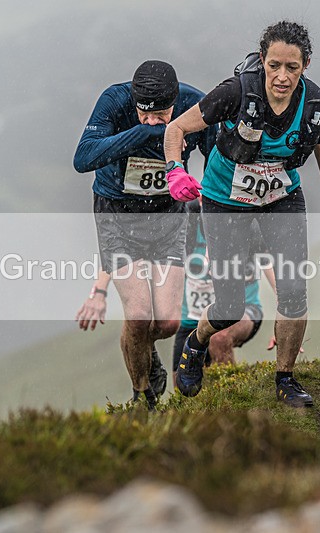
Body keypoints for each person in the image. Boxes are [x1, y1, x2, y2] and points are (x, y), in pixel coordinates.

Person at [163, 21, 320, 408]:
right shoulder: (237, 91)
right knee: (229, 306)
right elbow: (176, 129)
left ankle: (285, 379)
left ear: (305, 66)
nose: (282, 77)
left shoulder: (315, 106)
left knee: (293, 291)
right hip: (224, 199)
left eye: (292, 68)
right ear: (263, 61)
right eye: (274, 66)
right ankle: (196, 342)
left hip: (280, 198)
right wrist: (175, 171)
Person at [73, 60, 216, 410]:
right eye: (143, 113)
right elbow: (83, 158)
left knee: (166, 321)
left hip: (168, 216)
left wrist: (205, 192)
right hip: (116, 215)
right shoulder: (114, 100)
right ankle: (143, 397)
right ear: (134, 101)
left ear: (175, 102)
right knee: (138, 316)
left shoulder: (193, 104)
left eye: (161, 115)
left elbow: (216, 154)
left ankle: (142, 346)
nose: (152, 120)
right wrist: (148, 134)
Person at [172, 199, 276, 383]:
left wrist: (286, 320)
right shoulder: (188, 219)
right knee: (182, 387)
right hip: (192, 318)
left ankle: (232, 398)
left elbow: (272, 270)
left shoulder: (246, 221)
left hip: (243, 311)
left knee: (219, 337)